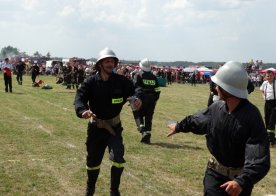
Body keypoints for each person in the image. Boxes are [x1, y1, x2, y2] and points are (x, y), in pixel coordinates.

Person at [167, 61, 270, 195]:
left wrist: (242, 181)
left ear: (227, 89)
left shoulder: (251, 116)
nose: (215, 88)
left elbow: (258, 156)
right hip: (214, 176)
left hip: (238, 183)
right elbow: (197, 120)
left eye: (218, 85)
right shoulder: (217, 108)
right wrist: (179, 126)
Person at [74, 48, 142, 196]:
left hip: (114, 129)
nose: (111, 64)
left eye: (112, 61)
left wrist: (137, 99)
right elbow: (79, 98)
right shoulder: (91, 82)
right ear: (100, 64)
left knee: (118, 158)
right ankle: (90, 189)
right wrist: (82, 111)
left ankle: (114, 191)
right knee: (93, 163)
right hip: (96, 129)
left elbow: (135, 90)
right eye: (107, 61)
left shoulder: (121, 81)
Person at [132, 58, 160, 144]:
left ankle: (143, 132)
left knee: (139, 115)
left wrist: (136, 98)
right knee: (149, 118)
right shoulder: (154, 77)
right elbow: (158, 90)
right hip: (151, 100)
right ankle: (147, 137)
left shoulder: (138, 75)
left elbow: (135, 88)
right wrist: (154, 99)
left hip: (141, 99)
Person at [260, 69, 276, 146]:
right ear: (265, 77)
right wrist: (264, 97)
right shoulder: (264, 83)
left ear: (274, 76)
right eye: (268, 76)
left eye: (270, 76)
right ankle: (268, 136)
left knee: (271, 121)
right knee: (266, 118)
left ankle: (271, 139)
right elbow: (261, 90)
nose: (269, 77)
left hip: (274, 103)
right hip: (267, 103)